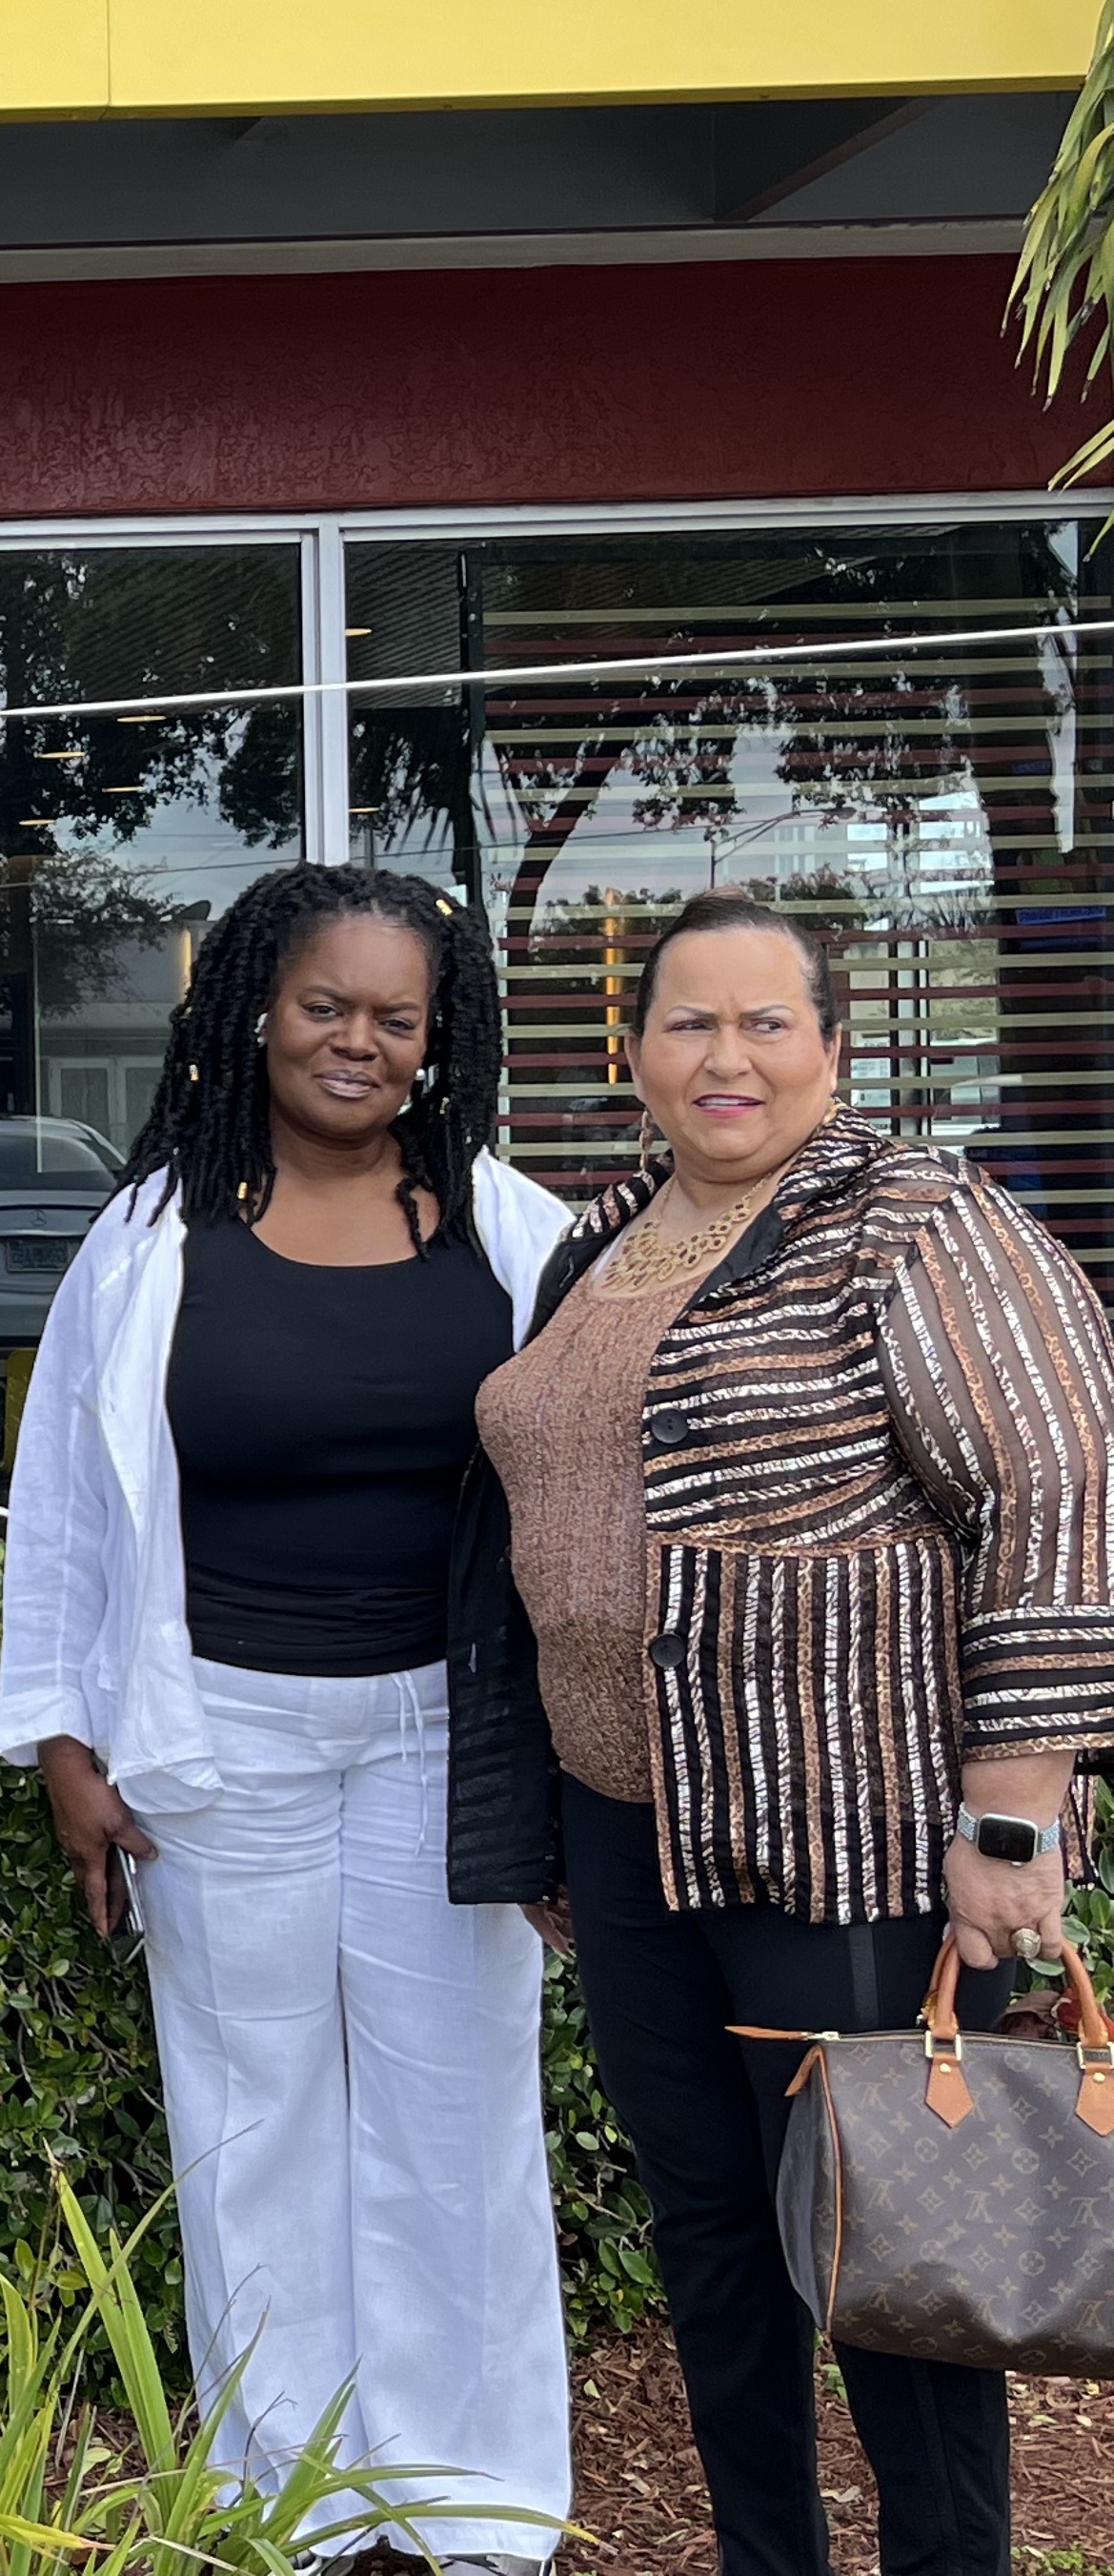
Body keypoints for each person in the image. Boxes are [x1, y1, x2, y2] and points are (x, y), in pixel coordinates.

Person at [457, 889, 1114, 2576]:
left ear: (833, 1045)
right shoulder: (596, 1239)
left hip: (849, 1837)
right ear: (632, 1052)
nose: (726, 1055)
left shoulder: (911, 1218)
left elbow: (1049, 1492)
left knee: (895, 2254)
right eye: (689, 1021)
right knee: (711, 2236)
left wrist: (1017, 1820)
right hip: (630, 1827)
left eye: (767, 1022)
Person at [0, 861, 573, 2563]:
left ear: (439, 1036)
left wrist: (583, 1763)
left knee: (458, 2117)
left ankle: (467, 2502)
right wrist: (65, 1743)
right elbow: (66, 1511)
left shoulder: (510, 1230)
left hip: (442, 1744)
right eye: (327, 1004)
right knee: (250, 2125)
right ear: (256, 1007)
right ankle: (288, 2496)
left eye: (400, 1017)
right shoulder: (153, 1237)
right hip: (215, 1739)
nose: (360, 1042)